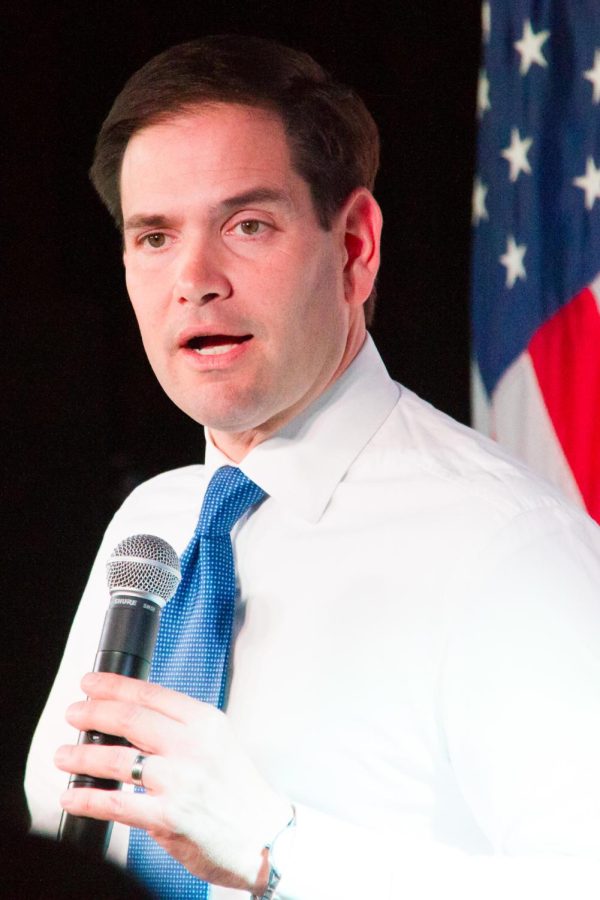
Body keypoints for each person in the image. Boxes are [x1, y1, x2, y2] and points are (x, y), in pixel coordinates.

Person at [26, 34, 600, 900]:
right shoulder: (155, 525)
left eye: (246, 225)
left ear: (356, 246)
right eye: (154, 237)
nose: (195, 279)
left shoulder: (509, 547)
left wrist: (279, 851)